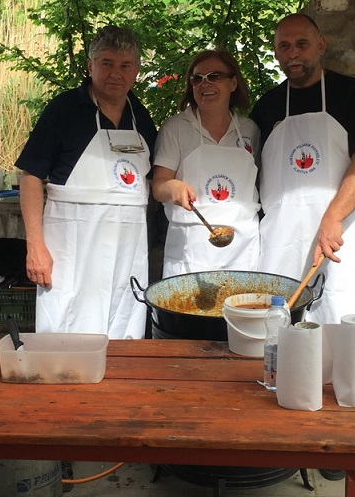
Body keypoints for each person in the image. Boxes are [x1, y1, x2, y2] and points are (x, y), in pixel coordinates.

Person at [16, 25, 157, 339]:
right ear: (91, 65)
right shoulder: (64, 110)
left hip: (127, 249)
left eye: (125, 65)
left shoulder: (141, 117)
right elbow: (31, 177)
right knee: (67, 328)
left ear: (136, 70)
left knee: (124, 324)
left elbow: (154, 180)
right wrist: (35, 246)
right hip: (73, 248)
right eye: (107, 63)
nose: (115, 73)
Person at [250, 13, 355, 326]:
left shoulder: (350, 92)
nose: (293, 53)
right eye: (284, 46)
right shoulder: (267, 106)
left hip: (337, 234)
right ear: (276, 53)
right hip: (280, 237)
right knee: (277, 324)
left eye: (302, 44)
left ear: (321, 45)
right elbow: (249, 172)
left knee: (335, 319)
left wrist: (332, 218)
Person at [152, 50, 261, 277]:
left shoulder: (250, 130)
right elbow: (158, 186)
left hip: (242, 248)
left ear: (233, 83)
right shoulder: (176, 128)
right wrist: (172, 186)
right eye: (197, 78)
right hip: (191, 250)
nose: (205, 84)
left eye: (214, 76)